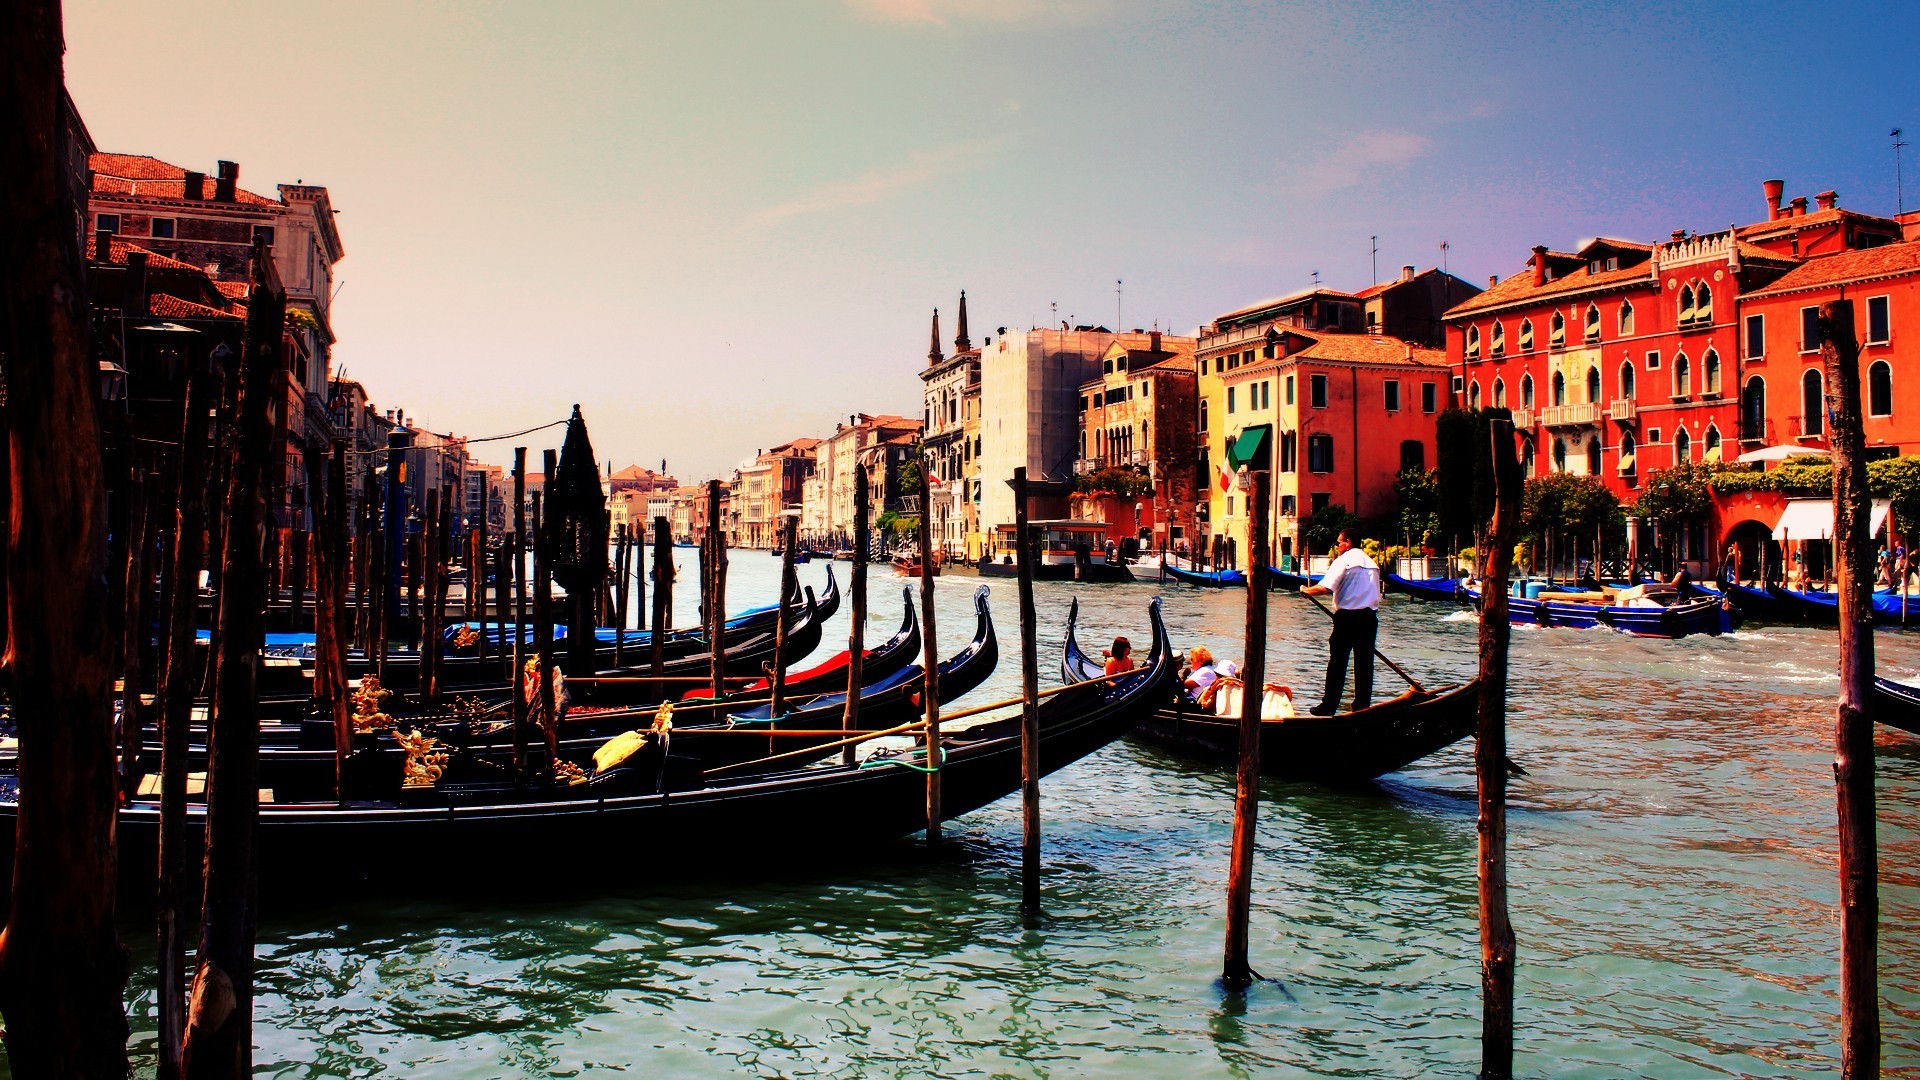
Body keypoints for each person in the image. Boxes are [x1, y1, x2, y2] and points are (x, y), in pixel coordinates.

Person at [1302, 528, 1382, 716]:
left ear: (1348, 542)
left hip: (1347, 618)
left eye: (1339, 542)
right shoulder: (1372, 564)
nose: (1337, 546)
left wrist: (1306, 590)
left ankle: (1328, 706)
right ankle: (1362, 705)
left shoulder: (1343, 561)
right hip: (1369, 618)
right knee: (1364, 664)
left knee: (1338, 663)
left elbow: (1325, 587)